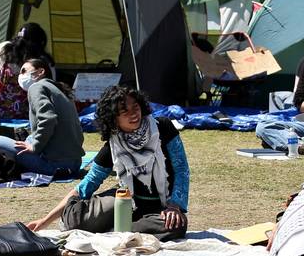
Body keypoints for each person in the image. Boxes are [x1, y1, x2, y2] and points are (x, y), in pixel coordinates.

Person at [25, 86, 190, 242]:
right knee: (77, 218)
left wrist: (174, 206)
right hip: (127, 204)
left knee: (177, 226)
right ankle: (122, 227)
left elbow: (181, 169)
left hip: (160, 208)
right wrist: (45, 220)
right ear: (113, 118)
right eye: (124, 111)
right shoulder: (113, 145)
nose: (133, 114)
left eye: (135, 107)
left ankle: (118, 229)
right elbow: (86, 185)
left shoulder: (163, 127)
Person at [0, 58, 84, 177]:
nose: (21, 75)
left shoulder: (36, 87)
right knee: (28, 138)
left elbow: (48, 119)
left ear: (40, 72)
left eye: (24, 71)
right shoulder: (59, 90)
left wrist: (35, 146)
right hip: (75, 163)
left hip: (56, 166)